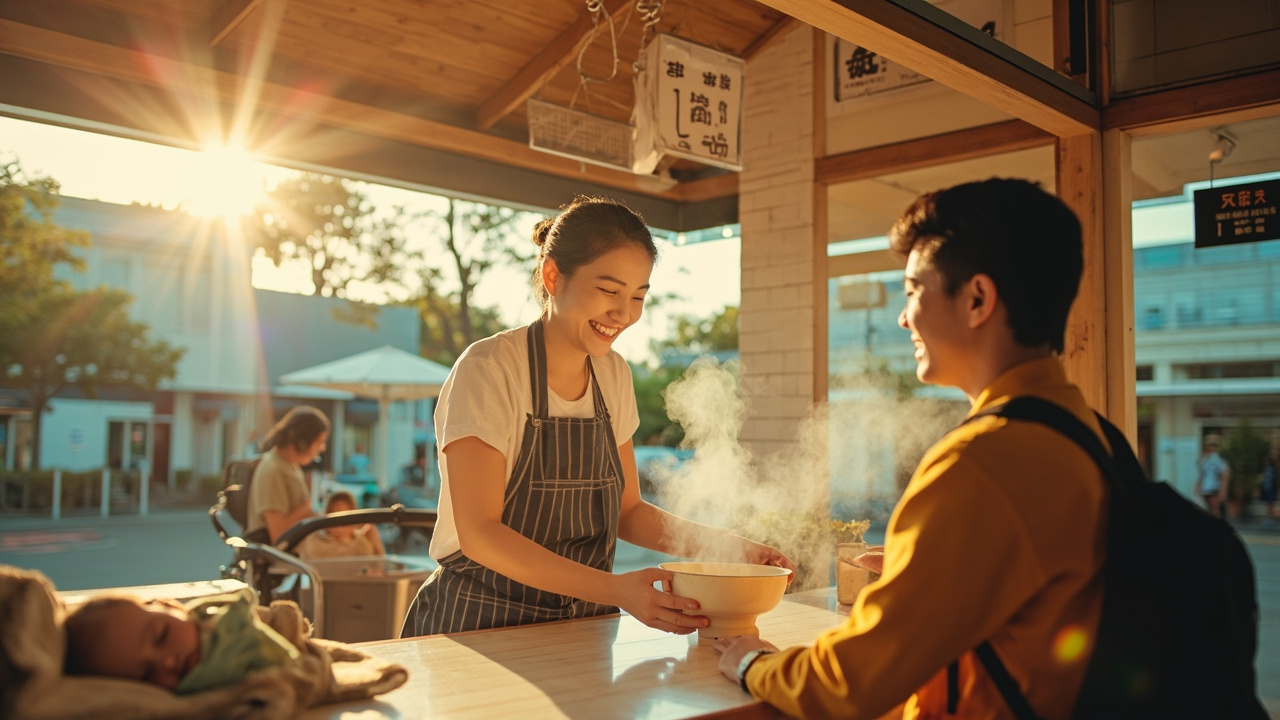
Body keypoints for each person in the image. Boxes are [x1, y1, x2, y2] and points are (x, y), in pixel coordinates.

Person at [714, 178, 1109, 719]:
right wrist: (920, 569)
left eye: (912, 291)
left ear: (976, 299)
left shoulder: (982, 463)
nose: (904, 318)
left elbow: (852, 685)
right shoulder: (1088, 432)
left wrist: (751, 665)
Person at [401, 195, 793, 637]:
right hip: (479, 623)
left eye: (638, 296)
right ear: (553, 276)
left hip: (584, 627)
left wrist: (730, 550)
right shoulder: (489, 369)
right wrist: (617, 590)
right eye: (609, 290)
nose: (624, 313)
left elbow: (627, 511)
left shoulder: (613, 373)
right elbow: (480, 533)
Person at [63, 589, 299, 694]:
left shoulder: (214, 615)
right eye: (147, 674)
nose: (167, 662)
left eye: (162, 635)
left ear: (172, 606)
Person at [246, 406, 330, 543]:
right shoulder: (273, 470)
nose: (321, 449)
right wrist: (304, 512)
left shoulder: (290, 466)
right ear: (302, 441)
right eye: (318, 443)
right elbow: (278, 534)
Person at [298, 490, 386, 559]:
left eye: (346, 517)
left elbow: (379, 563)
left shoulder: (362, 542)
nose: (340, 524)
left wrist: (373, 537)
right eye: (334, 515)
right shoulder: (317, 543)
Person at [1194, 437, 1230, 519]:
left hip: (1214, 487)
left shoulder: (1219, 459)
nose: (1211, 448)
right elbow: (1202, 474)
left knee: (1215, 509)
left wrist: (1223, 490)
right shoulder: (1204, 459)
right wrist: (1197, 486)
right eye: (1209, 445)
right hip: (1205, 487)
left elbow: (1224, 475)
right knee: (1207, 508)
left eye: (1213, 445)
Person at [1260, 454, 1277, 526]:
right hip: (1266, 489)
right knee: (1267, 504)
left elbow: (1273, 480)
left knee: (1270, 504)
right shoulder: (1266, 469)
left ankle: (1272, 519)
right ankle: (1269, 518)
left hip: (1270, 489)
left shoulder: (1271, 469)